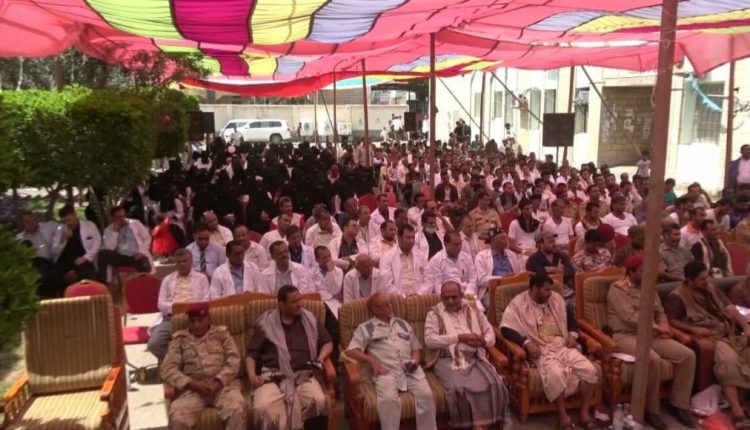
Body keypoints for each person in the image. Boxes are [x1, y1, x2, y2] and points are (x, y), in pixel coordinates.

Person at [606, 255, 697, 429]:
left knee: (688, 355)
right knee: (652, 358)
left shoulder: (649, 287)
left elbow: (660, 311)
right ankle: (651, 409)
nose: (647, 273)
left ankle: (679, 404)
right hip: (626, 335)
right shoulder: (617, 289)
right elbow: (629, 317)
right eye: (642, 270)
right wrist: (657, 327)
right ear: (631, 272)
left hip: (651, 334)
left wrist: (664, 325)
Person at [501, 273, 599, 430]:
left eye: (550, 289)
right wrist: (526, 343)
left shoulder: (556, 299)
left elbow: (571, 321)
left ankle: (584, 414)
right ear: (535, 288)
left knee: (590, 369)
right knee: (556, 374)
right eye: (546, 290)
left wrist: (573, 335)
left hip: (563, 346)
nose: (550, 293)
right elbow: (506, 329)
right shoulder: (518, 304)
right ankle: (563, 418)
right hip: (541, 350)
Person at [664, 261, 750, 429]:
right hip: (712, 338)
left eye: (706, 277)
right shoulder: (677, 297)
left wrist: (746, 327)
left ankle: (743, 401)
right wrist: (693, 329)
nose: (706, 281)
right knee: (728, 361)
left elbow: (730, 308)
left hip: (729, 333)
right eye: (702, 279)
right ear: (690, 280)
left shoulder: (711, 288)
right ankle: (737, 411)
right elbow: (671, 320)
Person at [345, 292, 437, 430]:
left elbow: (416, 348)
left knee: (427, 396)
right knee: (388, 400)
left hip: (410, 369)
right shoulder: (366, 328)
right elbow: (351, 350)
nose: (391, 306)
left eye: (390, 303)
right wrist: (371, 359)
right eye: (386, 304)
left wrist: (414, 362)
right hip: (386, 372)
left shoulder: (403, 324)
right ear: (375, 309)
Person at [424, 281, 508, 429]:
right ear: (441, 297)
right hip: (447, 358)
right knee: (459, 388)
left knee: (494, 383)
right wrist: (459, 338)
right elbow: (430, 341)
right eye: (446, 298)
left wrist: (483, 341)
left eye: (454, 297)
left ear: (461, 295)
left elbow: (490, 334)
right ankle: (472, 426)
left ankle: (486, 424)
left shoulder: (474, 310)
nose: (450, 301)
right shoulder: (434, 313)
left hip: (474, 357)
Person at [247, 285, 332, 430]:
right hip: (274, 375)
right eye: (294, 302)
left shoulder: (310, 320)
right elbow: (251, 353)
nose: (300, 304)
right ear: (282, 304)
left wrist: (320, 358)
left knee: (318, 401)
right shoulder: (266, 324)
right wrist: (251, 375)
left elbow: (328, 342)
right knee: (263, 408)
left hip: (304, 373)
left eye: (300, 300)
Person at [161, 302, 247, 430]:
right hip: (193, 390)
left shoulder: (221, 334)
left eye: (200, 320)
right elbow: (168, 369)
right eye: (193, 321)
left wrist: (218, 382)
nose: (196, 325)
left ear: (208, 319)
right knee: (177, 417)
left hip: (224, 387)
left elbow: (234, 359)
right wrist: (192, 384)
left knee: (237, 409)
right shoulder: (179, 339)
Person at [148, 249, 210, 361]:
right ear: (175, 263)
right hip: (172, 317)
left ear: (191, 261)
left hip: (195, 318)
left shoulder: (201, 278)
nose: (182, 264)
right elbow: (161, 304)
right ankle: (180, 362)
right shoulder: (167, 280)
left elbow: (206, 299)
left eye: (185, 261)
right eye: (179, 262)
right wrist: (178, 308)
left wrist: (190, 309)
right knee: (154, 344)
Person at [98, 205, 153, 280]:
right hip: (121, 257)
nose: (122, 219)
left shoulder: (135, 223)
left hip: (137, 255)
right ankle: (103, 283)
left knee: (144, 264)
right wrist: (115, 232)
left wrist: (141, 252)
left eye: (123, 216)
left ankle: (144, 283)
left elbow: (147, 238)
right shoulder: (109, 230)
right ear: (113, 218)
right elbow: (109, 247)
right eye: (119, 217)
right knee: (103, 254)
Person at [51, 204, 101, 285]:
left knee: (88, 274)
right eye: (64, 221)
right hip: (65, 261)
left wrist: (86, 257)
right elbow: (54, 250)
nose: (67, 223)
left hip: (83, 259)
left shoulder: (89, 225)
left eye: (69, 220)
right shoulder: (60, 229)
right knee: (55, 276)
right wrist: (63, 239)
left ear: (75, 215)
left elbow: (97, 243)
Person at [526, 231, 575, 312]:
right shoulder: (533, 260)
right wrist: (555, 269)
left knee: (573, 307)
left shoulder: (562, 255)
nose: (554, 244)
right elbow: (536, 275)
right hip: (544, 295)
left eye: (554, 241)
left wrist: (558, 271)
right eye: (550, 242)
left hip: (567, 293)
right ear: (541, 244)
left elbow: (571, 271)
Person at [475, 227, 521, 310]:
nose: (506, 240)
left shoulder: (511, 255)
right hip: (492, 292)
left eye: (506, 237)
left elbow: (518, 274)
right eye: (502, 238)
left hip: (512, 289)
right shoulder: (481, 256)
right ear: (493, 241)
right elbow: (481, 280)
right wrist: (502, 278)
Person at [17, 210, 59, 297]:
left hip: (47, 262)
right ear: (23, 224)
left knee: (48, 275)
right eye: (28, 222)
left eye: (33, 220)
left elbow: (62, 227)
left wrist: (64, 235)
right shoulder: (20, 238)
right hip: (31, 264)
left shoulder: (47, 227)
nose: (32, 224)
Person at [380, 225, 429, 296]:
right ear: (399, 238)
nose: (412, 241)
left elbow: (428, 279)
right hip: (397, 299)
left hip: (419, 298)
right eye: (408, 238)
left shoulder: (421, 256)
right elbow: (386, 285)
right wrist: (404, 297)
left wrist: (419, 294)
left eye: (413, 237)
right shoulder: (386, 258)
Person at [424, 231, 477, 297]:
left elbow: (473, 279)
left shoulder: (467, 258)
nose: (459, 247)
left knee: (478, 304)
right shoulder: (436, 260)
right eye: (456, 244)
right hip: (446, 297)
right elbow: (437, 286)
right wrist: (452, 297)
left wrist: (468, 294)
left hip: (467, 295)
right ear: (445, 244)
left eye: (460, 244)